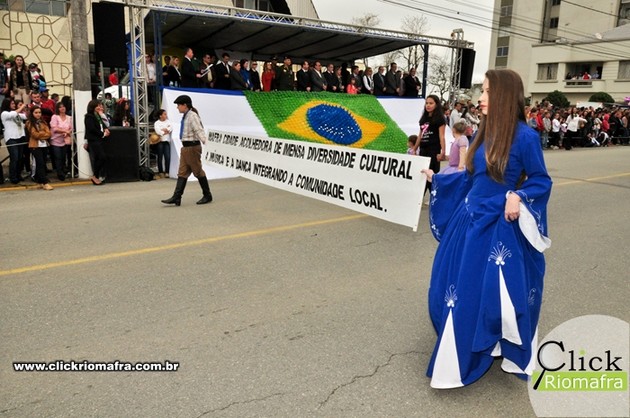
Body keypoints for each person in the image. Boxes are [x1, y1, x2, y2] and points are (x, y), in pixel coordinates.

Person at [421, 69, 552, 389]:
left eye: (488, 92)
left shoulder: (526, 137)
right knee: (451, 290)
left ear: (504, 96)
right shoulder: (481, 132)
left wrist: (518, 196)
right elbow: (470, 179)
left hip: (498, 227)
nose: (481, 97)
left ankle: (471, 356)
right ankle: (477, 344)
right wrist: (438, 180)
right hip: (468, 222)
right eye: (482, 91)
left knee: (489, 294)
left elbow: (540, 180)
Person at [161, 94, 212, 206]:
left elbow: (199, 130)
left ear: (185, 105)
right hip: (186, 148)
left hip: (192, 147)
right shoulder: (186, 115)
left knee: (198, 171)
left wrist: (206, 143)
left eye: (179, 105)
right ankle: (177, 197)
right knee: (182, 172)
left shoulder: (192, 116)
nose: (177, 107)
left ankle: (207, 195)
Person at [413, 94, 446, 193]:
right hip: (423, 150)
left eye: (431, 103)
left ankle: (434, 196)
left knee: (431, 175)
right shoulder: (423, 119)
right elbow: (420, 135)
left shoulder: (440, 119)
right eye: (427, 103)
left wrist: (443, 152)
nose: (428, 105)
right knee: (422, 174)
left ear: (436, 104)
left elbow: (442, 136)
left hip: (433, 150)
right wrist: (414, 149)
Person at [1, 98, 27, 184]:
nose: (14, 105)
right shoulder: (4, 113)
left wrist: (26, 108)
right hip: (11, 138)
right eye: (12, 103)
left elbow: (26, 116)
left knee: (20, 158)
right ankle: (13, 176)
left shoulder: (17, 113)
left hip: (20, 137)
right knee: (14, 158)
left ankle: (18, 175)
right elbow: (13, 114)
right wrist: (21, 107)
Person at [26, 106, 53, 190]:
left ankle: (40, 181)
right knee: (40, 163)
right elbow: (34, 134)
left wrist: (41, 134)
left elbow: (49, 133)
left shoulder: (43, 122)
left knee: (42, 163)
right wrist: (43, 134)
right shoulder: (29, 123)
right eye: (36, 113)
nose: (38, 114)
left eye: (39, 112)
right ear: (32, 113)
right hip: (35, 145)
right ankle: (45, 182)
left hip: (44, 145)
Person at [83, 100, 110, 185]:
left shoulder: (97, 115)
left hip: (99, 139)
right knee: (101, 157)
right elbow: (91, 129)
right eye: (97, 106)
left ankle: (96, 176)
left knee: (100, 158)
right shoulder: (89, 117)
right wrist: (102, 134)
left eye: (100, 105)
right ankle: (95, 176)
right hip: (94, 140)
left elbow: (103, 124)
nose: (99, 107)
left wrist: (105, 129)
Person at [49, 101, 73, 181]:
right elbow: (54, 128)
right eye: (60, 107)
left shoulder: (69, 118)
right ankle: (59, 173)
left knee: (63, 157)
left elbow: (71, 128)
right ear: (57, 109)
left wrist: (68, 132)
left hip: (65, 140)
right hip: (55, 140)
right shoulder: (55, 117)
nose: (62, 108)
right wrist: (65, 131)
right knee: (58, 157)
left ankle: (63, 170)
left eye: (63, 106)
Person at [153, 109, 172, 178]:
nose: (166, 115)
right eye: (164, 114)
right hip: (159, 142)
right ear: (160, 116)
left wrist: (166, 130)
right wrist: (165, 131)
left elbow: (171, 128)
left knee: (167, 157)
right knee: (160, 157)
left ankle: (167, 171)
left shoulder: (168, 121)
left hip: (166, 141)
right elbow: (158, 131)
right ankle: (160, 171)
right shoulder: (157, 123)